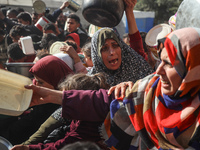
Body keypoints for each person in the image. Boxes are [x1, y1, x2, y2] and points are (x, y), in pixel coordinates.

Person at [22, 27, 200, 150]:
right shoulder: (150, 89)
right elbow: (104, 101)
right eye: (160, 61)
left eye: (168, 63)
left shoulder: (139, 70)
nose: (158, 71)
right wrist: (53, 96)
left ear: (191, 68)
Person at [12, 73, 110, 150]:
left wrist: (29, 148)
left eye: (67, 99)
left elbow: (64, 144)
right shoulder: (81, 116)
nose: (62, 105)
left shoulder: (89, 125)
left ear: (80, 100)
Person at [2, 55, 74, 145]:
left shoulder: (61, 110)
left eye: (40, 82)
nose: (35, 84)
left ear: (57, 82)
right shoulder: (41, 101)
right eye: (34, 79)